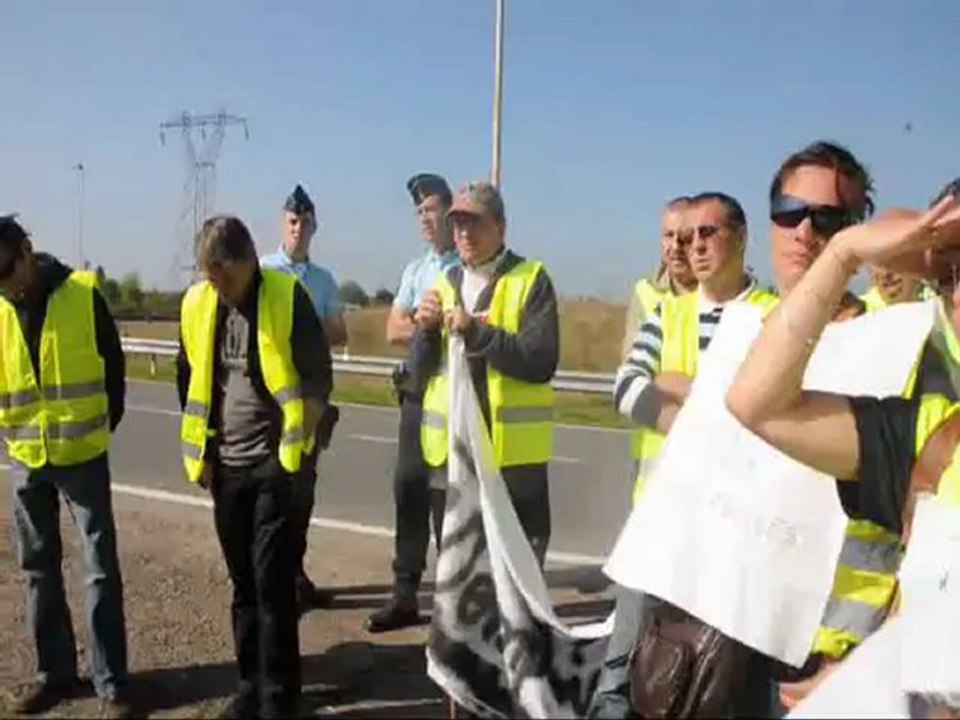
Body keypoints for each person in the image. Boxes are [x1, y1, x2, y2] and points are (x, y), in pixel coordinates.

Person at [726, 188, 960, 718]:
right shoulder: (935, 436)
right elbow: (758, 405)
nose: (958, 297)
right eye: (948, 279)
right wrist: (844, 252)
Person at [591, 193, 777, 719]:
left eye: (707, 233)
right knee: (631, 662)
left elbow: (770, 402)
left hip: (739, 527)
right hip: (662, 520)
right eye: (687, 236)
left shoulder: (772, 316)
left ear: (741, 237)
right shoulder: (667, 312)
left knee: (734, 676)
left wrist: (681, 386)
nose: (694, 246)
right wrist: (703, 418)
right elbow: (626, 389)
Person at [177, 216, 332, 719]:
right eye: (207, 274)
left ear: (245, 261)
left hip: (274, 466)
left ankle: (280, 699)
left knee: (272, 584)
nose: (214, 284)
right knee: (243, 584)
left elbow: (316, 379)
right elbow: (190, 380)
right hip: (226, 467)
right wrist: (201, 452)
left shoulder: (286, 297)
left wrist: (296, 452)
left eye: (221, 273)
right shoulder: (200, 303)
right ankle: (249, 687)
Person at [0, 215, 132, 719]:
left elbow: (114, 365)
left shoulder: (81, 293)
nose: (7, 285)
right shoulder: (0, 306)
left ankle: (111, 683)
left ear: (27, 253)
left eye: (9, 270)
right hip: (27, 457)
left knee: (99, 570)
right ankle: (53, 675)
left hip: (82, 456)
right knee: (37, 570)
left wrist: (101, 425)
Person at [414, 180, 559, 568]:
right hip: (453, 456)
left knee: (516, 571)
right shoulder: (444, 283)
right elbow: (419, 374)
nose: (463, 233)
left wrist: (477, 331)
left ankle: (523, 631)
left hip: (513, 462)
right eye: (458, 224)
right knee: (457, 571)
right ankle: (459, 632)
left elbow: (540, 360)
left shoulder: (532, 279)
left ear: (501, 227)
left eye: (474, 223)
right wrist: (426, 332)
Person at [366, 173, 460, 634]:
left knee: (448, 500)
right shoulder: (415, 269)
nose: (425, 218)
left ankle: (452, 601)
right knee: (408, 492)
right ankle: (404, 594)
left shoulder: (467, 266)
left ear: (451, 211)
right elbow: (392, 330)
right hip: (415, 395)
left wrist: (434, 323)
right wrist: (427, 325)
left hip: (455, 398)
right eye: (419, 211)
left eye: (431, 208)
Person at [261, 184, 342, 610]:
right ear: (283, 224)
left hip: (310, 399)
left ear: (314, 228)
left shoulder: (324, 281)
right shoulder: (262, 272)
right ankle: (273, 575)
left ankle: (296, 573)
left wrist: (304, 324)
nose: (298, 230)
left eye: (305, 224)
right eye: (292, 222)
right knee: (272, 490)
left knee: (303, 489)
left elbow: (339, 331)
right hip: (271, 402)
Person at [620, 196, 697, 358]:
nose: (676, 246)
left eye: (685, 236)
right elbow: (631, 362)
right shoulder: (645, 291)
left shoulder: (719, 292)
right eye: (669, 235)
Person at [860, 266, 925, 311]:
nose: (885, 273)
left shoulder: (932, 296)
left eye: (893, 261)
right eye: (877, 264)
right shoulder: (860, 312)